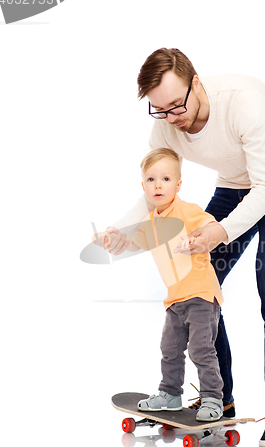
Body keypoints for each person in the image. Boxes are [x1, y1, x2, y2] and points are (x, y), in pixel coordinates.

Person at [100, 48, 265, 447]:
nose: (172, 117)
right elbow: (155, 191)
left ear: (196, 82)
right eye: (159, 109)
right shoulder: (165, 125)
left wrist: (221, 232)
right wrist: (122, 230)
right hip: (234, 185)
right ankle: (220, 398)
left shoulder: (241, 101)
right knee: (200, 285)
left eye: (177, 104)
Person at [94, 148, 225, 421]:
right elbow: (130, 243)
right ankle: (170, 394)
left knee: (201, 349)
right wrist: (108, 240)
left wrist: (197, 238)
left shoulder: (187, 211)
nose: (158, 185)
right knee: (170, 349)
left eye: (165, 179)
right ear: (143, 186)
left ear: (178, 185)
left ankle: (213, 399)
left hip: (201, 294)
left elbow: (211, 225)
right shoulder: (149, 222)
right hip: (175, 299)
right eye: (151, 180)